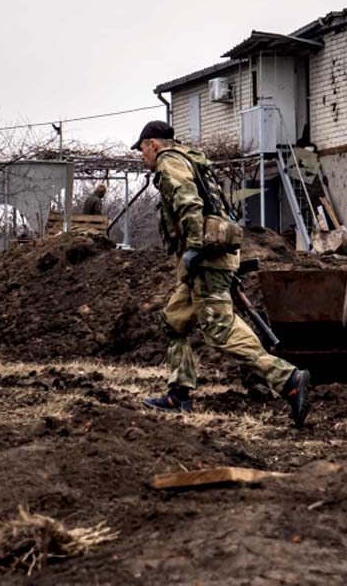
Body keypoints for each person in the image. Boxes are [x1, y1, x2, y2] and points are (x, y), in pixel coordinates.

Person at [131, 120, 311, 427]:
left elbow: (189, 201)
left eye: (142, 149)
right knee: (174, 322)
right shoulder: (192, 158)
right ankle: (178, 395)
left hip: (205, 258)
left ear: (153, 144)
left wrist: (195, 248)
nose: (142, 156)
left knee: (220, 330)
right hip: (211, 256)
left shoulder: (169, 161)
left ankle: (287, 379)